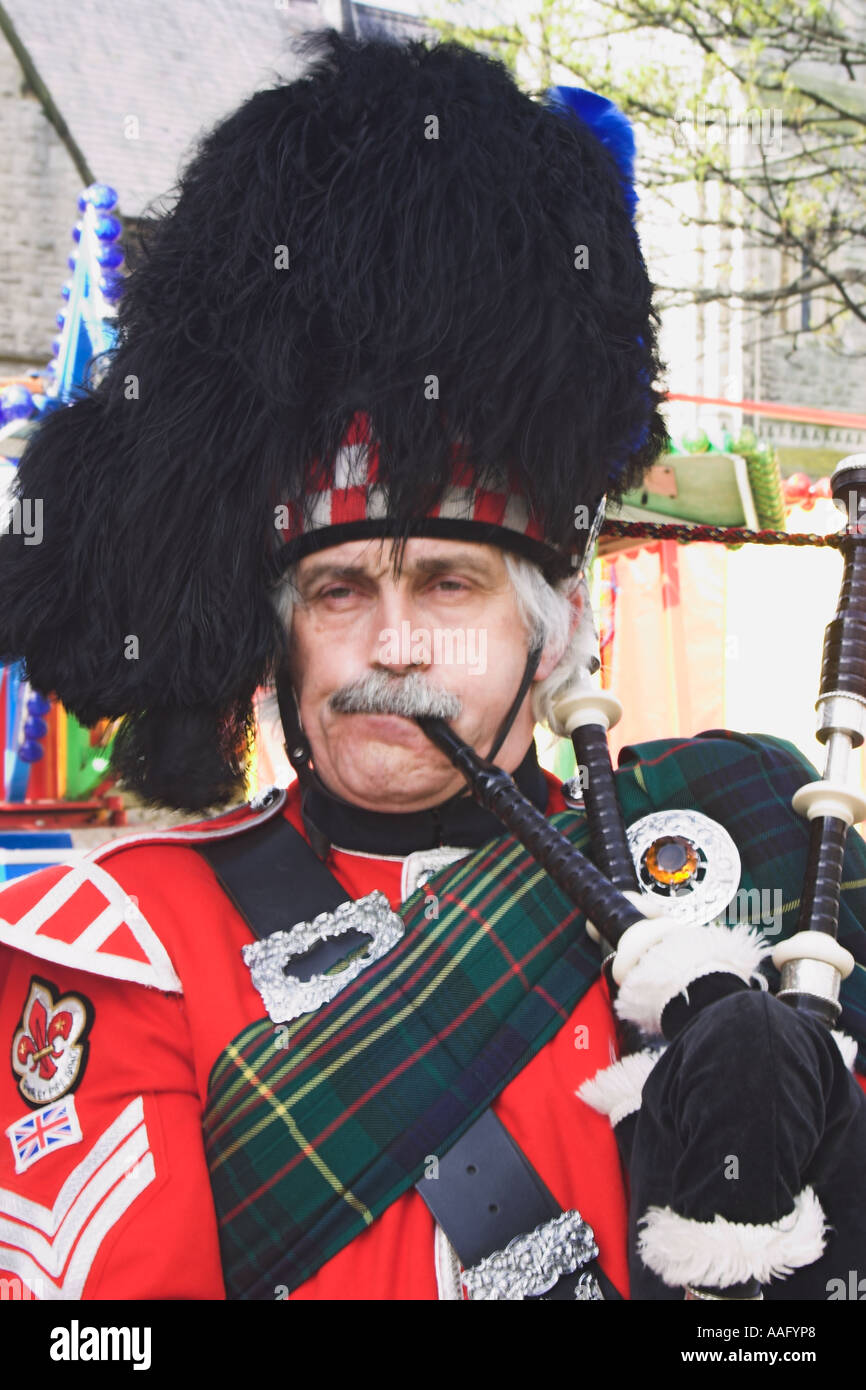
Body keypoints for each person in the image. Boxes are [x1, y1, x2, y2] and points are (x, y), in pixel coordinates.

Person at [0, 28, 863, 1302]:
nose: (392, 642)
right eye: (341, 589)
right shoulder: (126, 944)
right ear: (278, 633)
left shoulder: (753, 869)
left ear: (550, 631)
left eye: (447, 584)